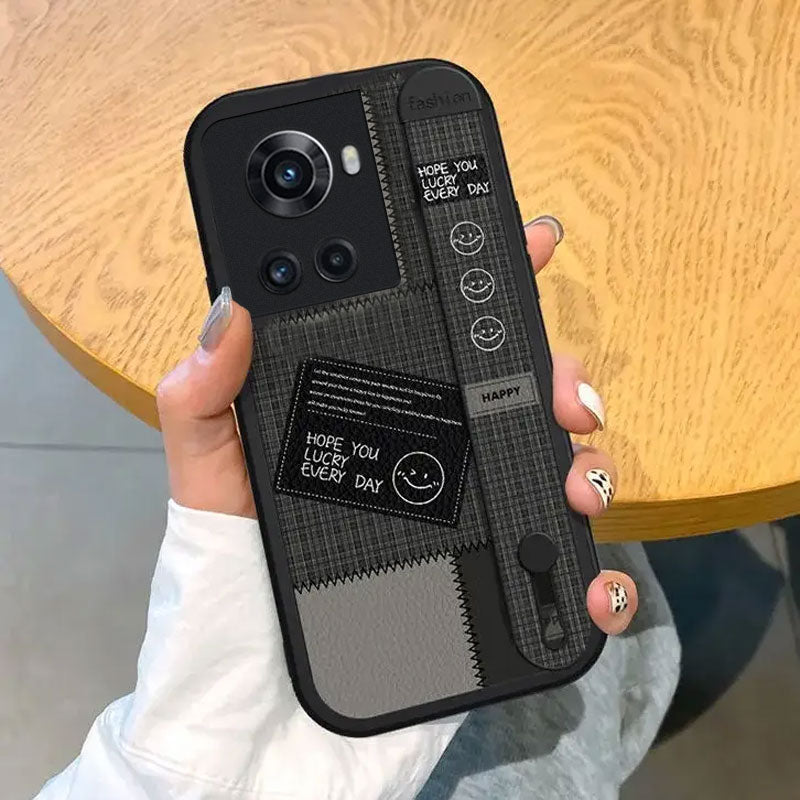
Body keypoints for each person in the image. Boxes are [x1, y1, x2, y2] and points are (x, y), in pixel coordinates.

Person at [35, 219, 679, 799]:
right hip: (397, 710)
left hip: (305, 721)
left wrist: (188, 773)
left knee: (559, 540)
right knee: (601, 588)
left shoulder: (206, 744)